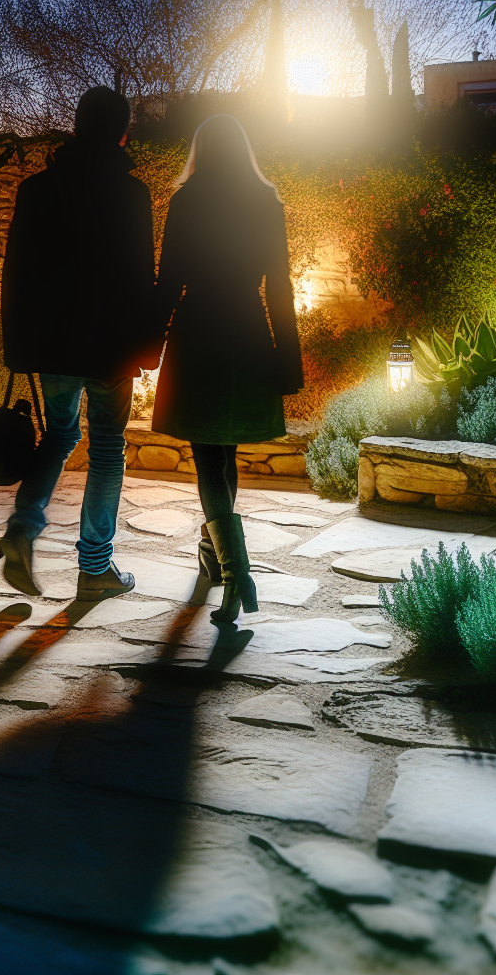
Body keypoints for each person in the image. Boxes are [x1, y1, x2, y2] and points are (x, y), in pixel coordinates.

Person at [0, 86, 158, 601]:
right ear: (122, 133)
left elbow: (16, 273)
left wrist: (17, 345)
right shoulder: (132, 194)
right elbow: (142, 277)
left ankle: (24, 527)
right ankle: (95, 566)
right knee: (108, 447)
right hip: (110, 344)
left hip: (54, 342)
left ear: (75, 126)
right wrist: (147, 346)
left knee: (59, 436)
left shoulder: (37, 190)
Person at [149, 114, 304, 621]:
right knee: (225, 450)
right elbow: (280, 286)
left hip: (199, 333)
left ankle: (236, 574)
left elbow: (169, 279)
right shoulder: (265, 203)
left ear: (202, 152)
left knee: (207, 453)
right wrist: (288, 355)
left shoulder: (187, 201)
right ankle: (216, 556)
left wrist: (147, 342)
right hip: (246, 330)